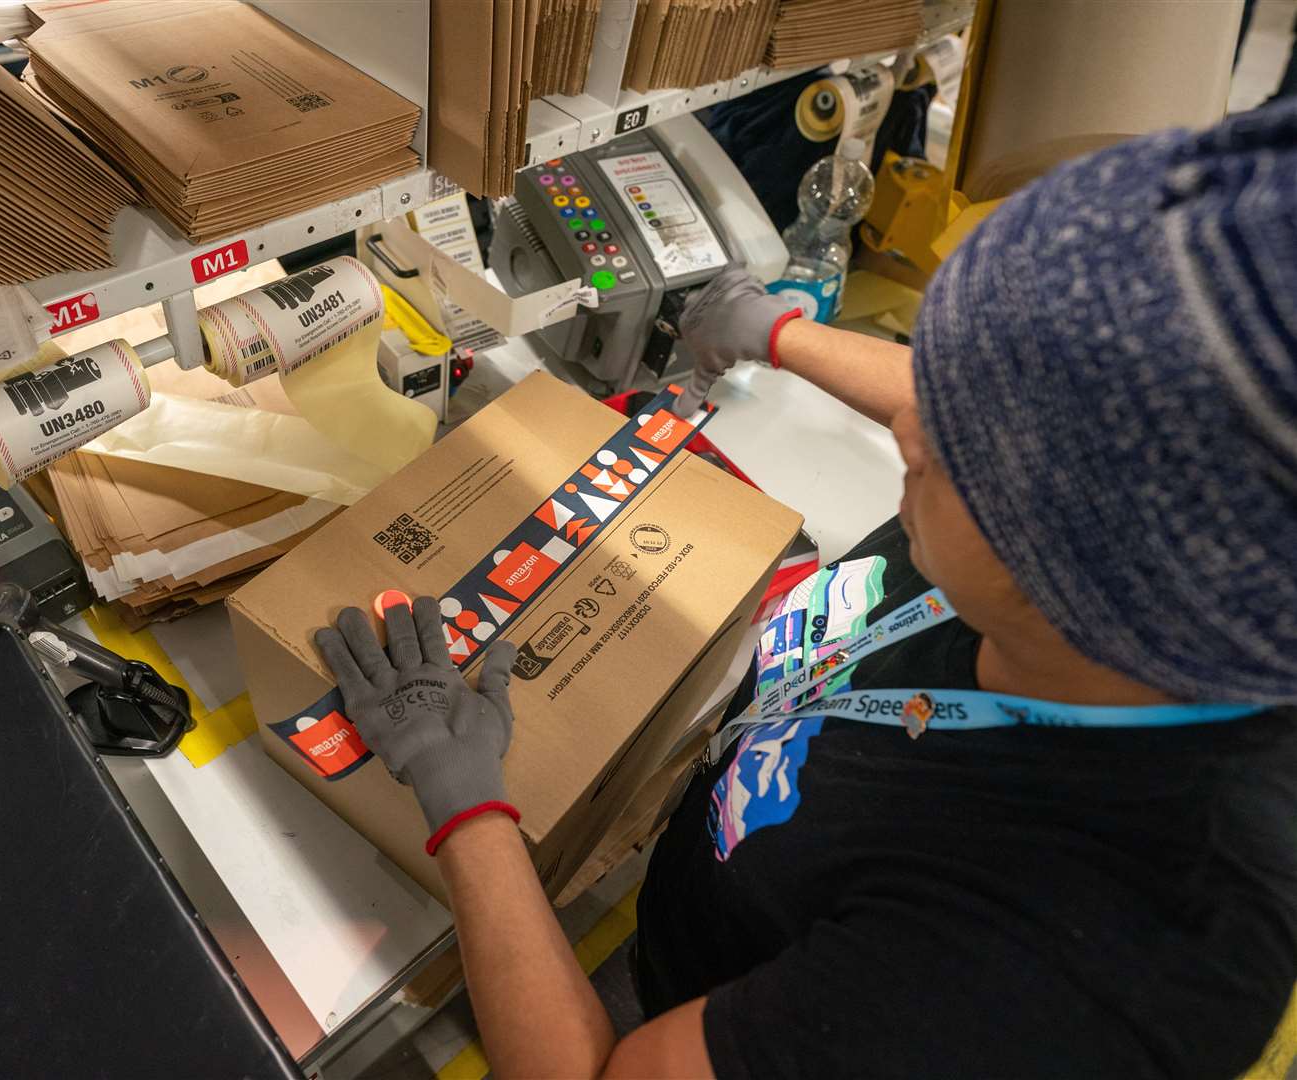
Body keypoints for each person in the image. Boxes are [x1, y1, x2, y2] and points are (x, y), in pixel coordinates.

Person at [313, 98, 1297, 1078]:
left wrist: (463, 800)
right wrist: (774, 331)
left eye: (948, 441)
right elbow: (1028, 408)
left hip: (692, 1008)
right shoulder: (1166, 570)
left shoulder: (1077, 969)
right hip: (717, 895)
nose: (908, 425)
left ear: (1076, 564)